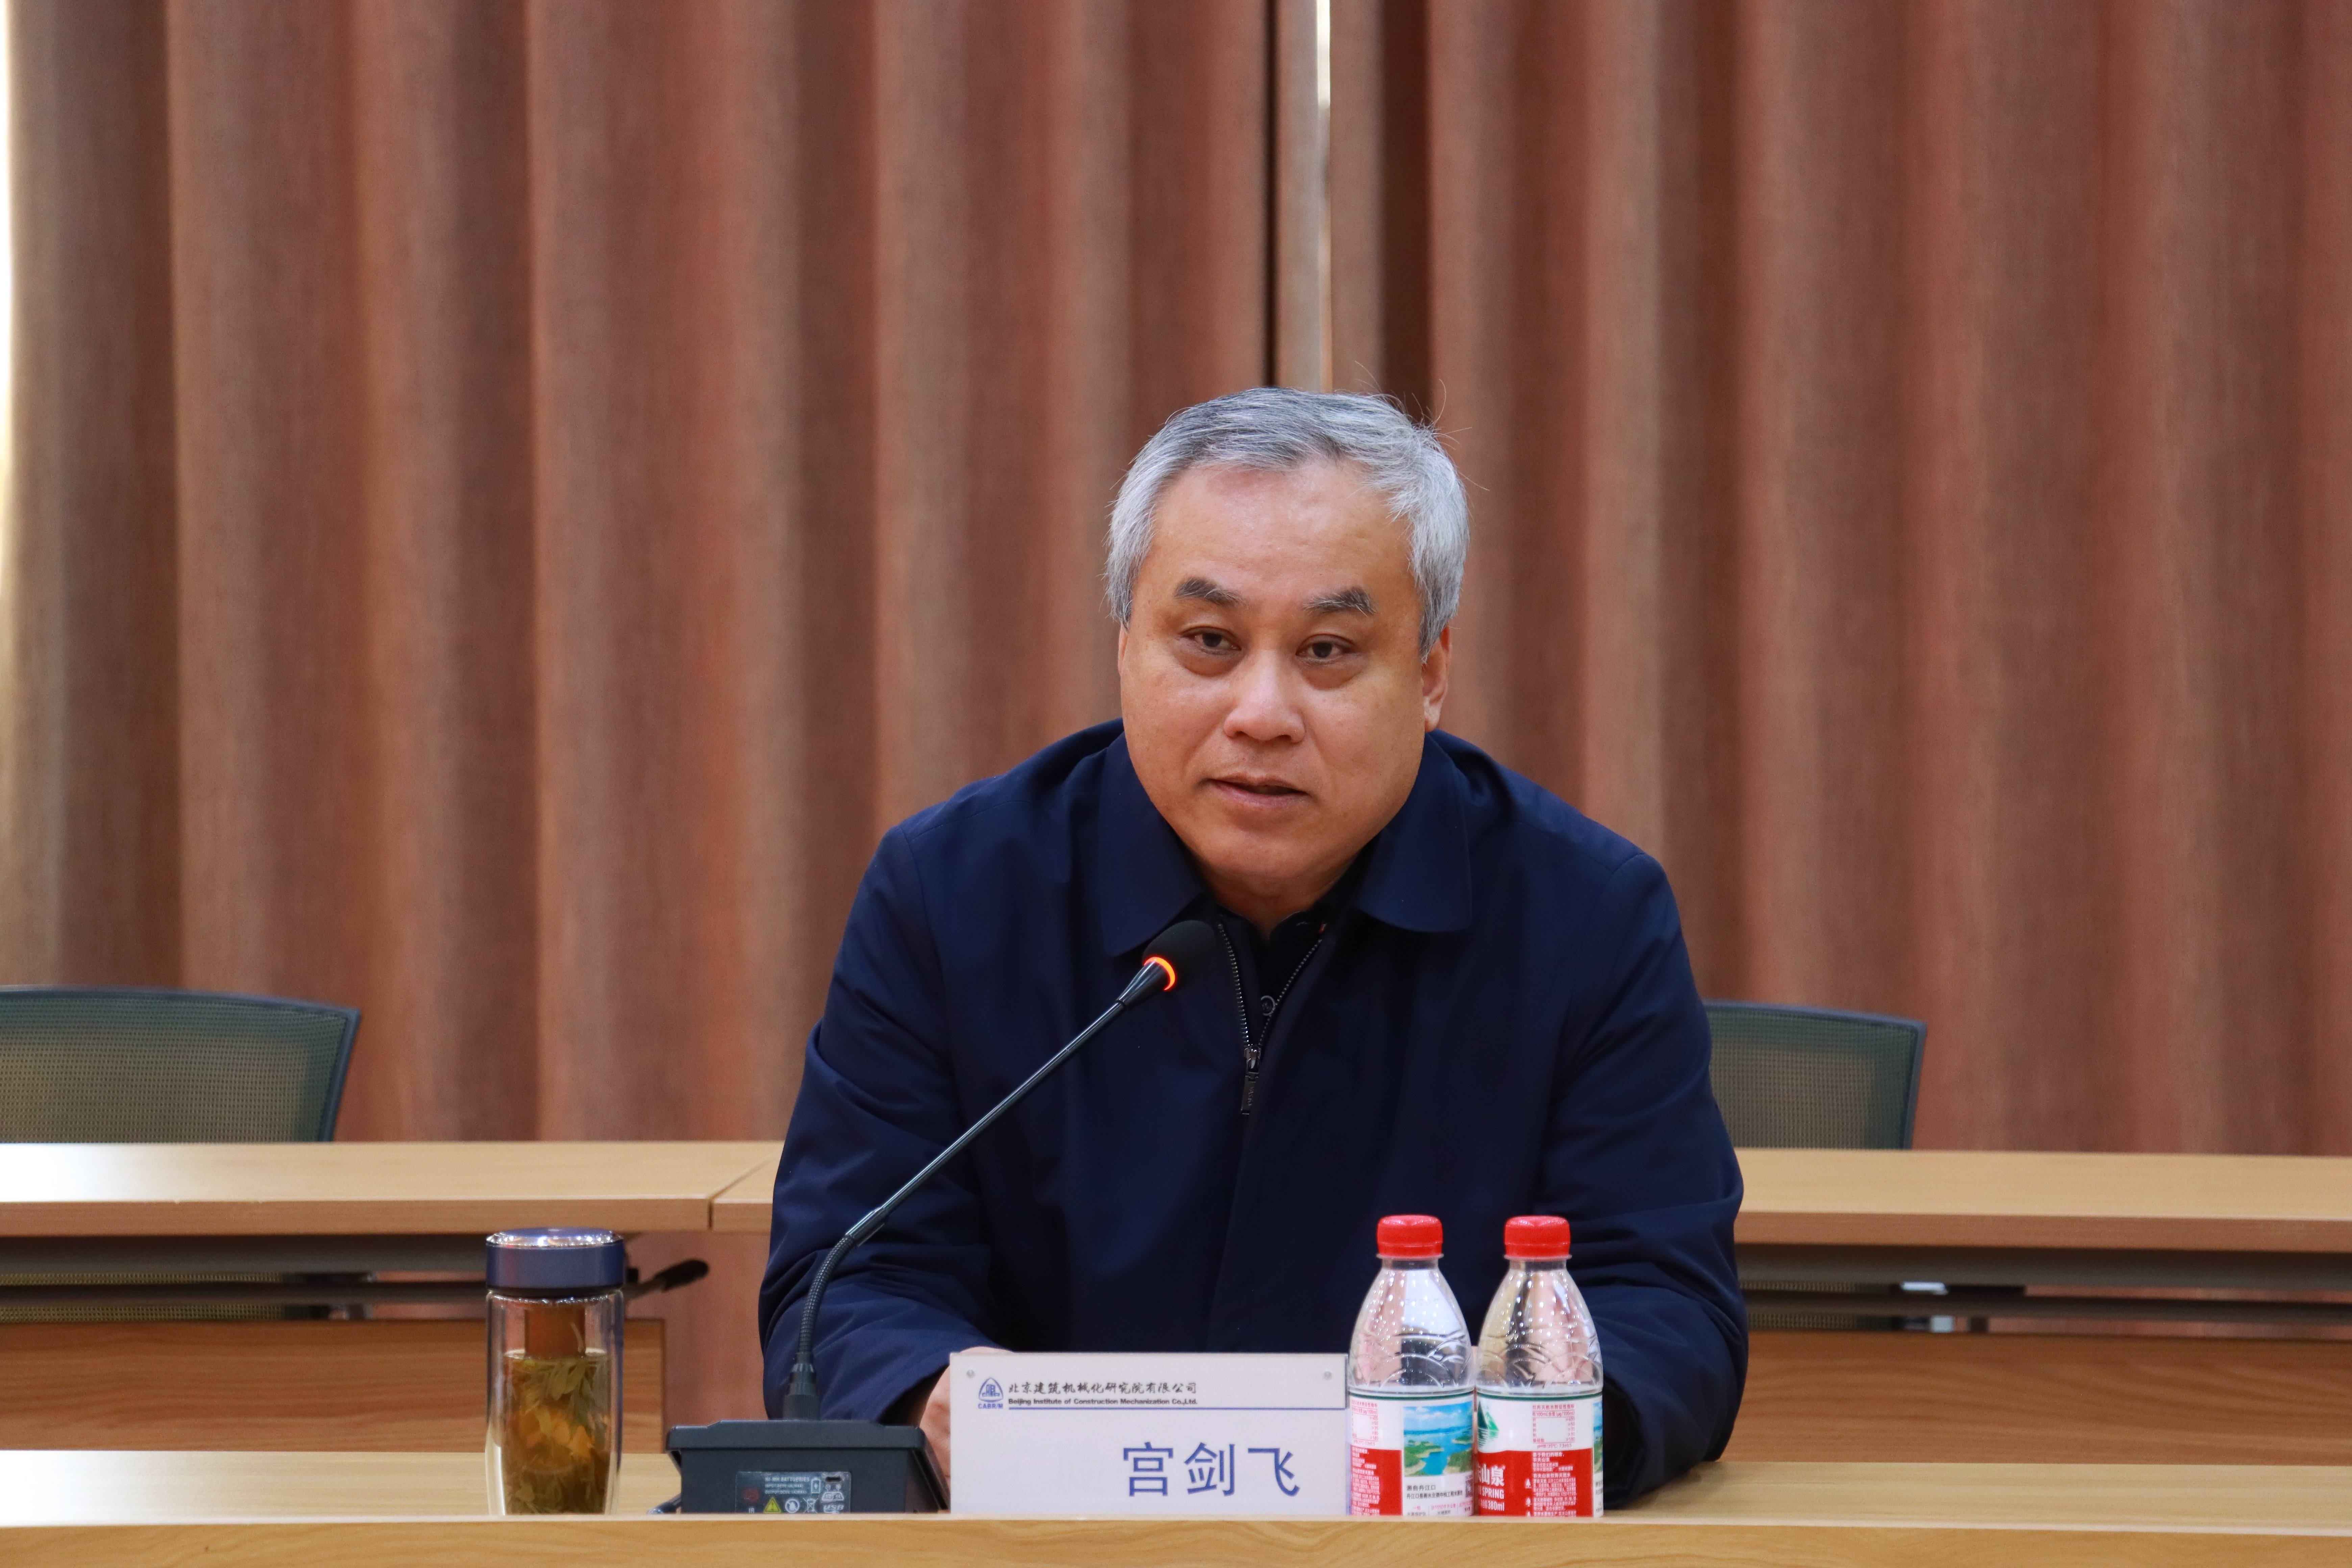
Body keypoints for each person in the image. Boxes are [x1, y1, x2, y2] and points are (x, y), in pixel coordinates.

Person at [759, 388, 1745, 1506]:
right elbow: (846, 1282)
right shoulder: (954, 895)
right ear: (1126, 644)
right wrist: (930, 1395)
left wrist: (1496, 1444)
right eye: (1210, 643)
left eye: (1328, 650)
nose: (1262, 711)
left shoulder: (1584, 917)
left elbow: (1667, 1307)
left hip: (1430, 1543)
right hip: (1052, 1542)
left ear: (1430, 673)